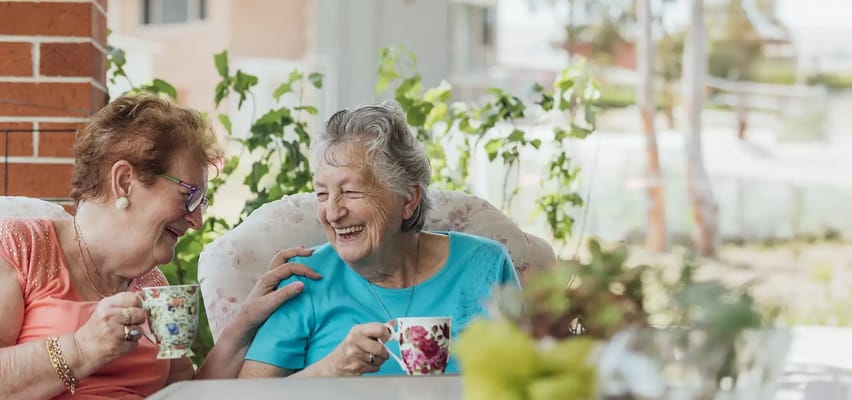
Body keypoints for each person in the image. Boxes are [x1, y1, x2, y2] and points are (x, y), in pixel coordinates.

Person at [0, 94, 319, 399]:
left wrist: (247, 320)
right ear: (125, 181)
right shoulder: (21, 247)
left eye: (201, 202)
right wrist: (81, 349)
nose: (197, 221)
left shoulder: (152, 284)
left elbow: (185, 395)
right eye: (189, 195)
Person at [239, 102, 521, 378]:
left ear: (408, 199)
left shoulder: (485, 265)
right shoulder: (303, 279)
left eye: (351, 192)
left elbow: (530, 379)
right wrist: (329, 369)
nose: (334, 213)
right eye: (322, 194)